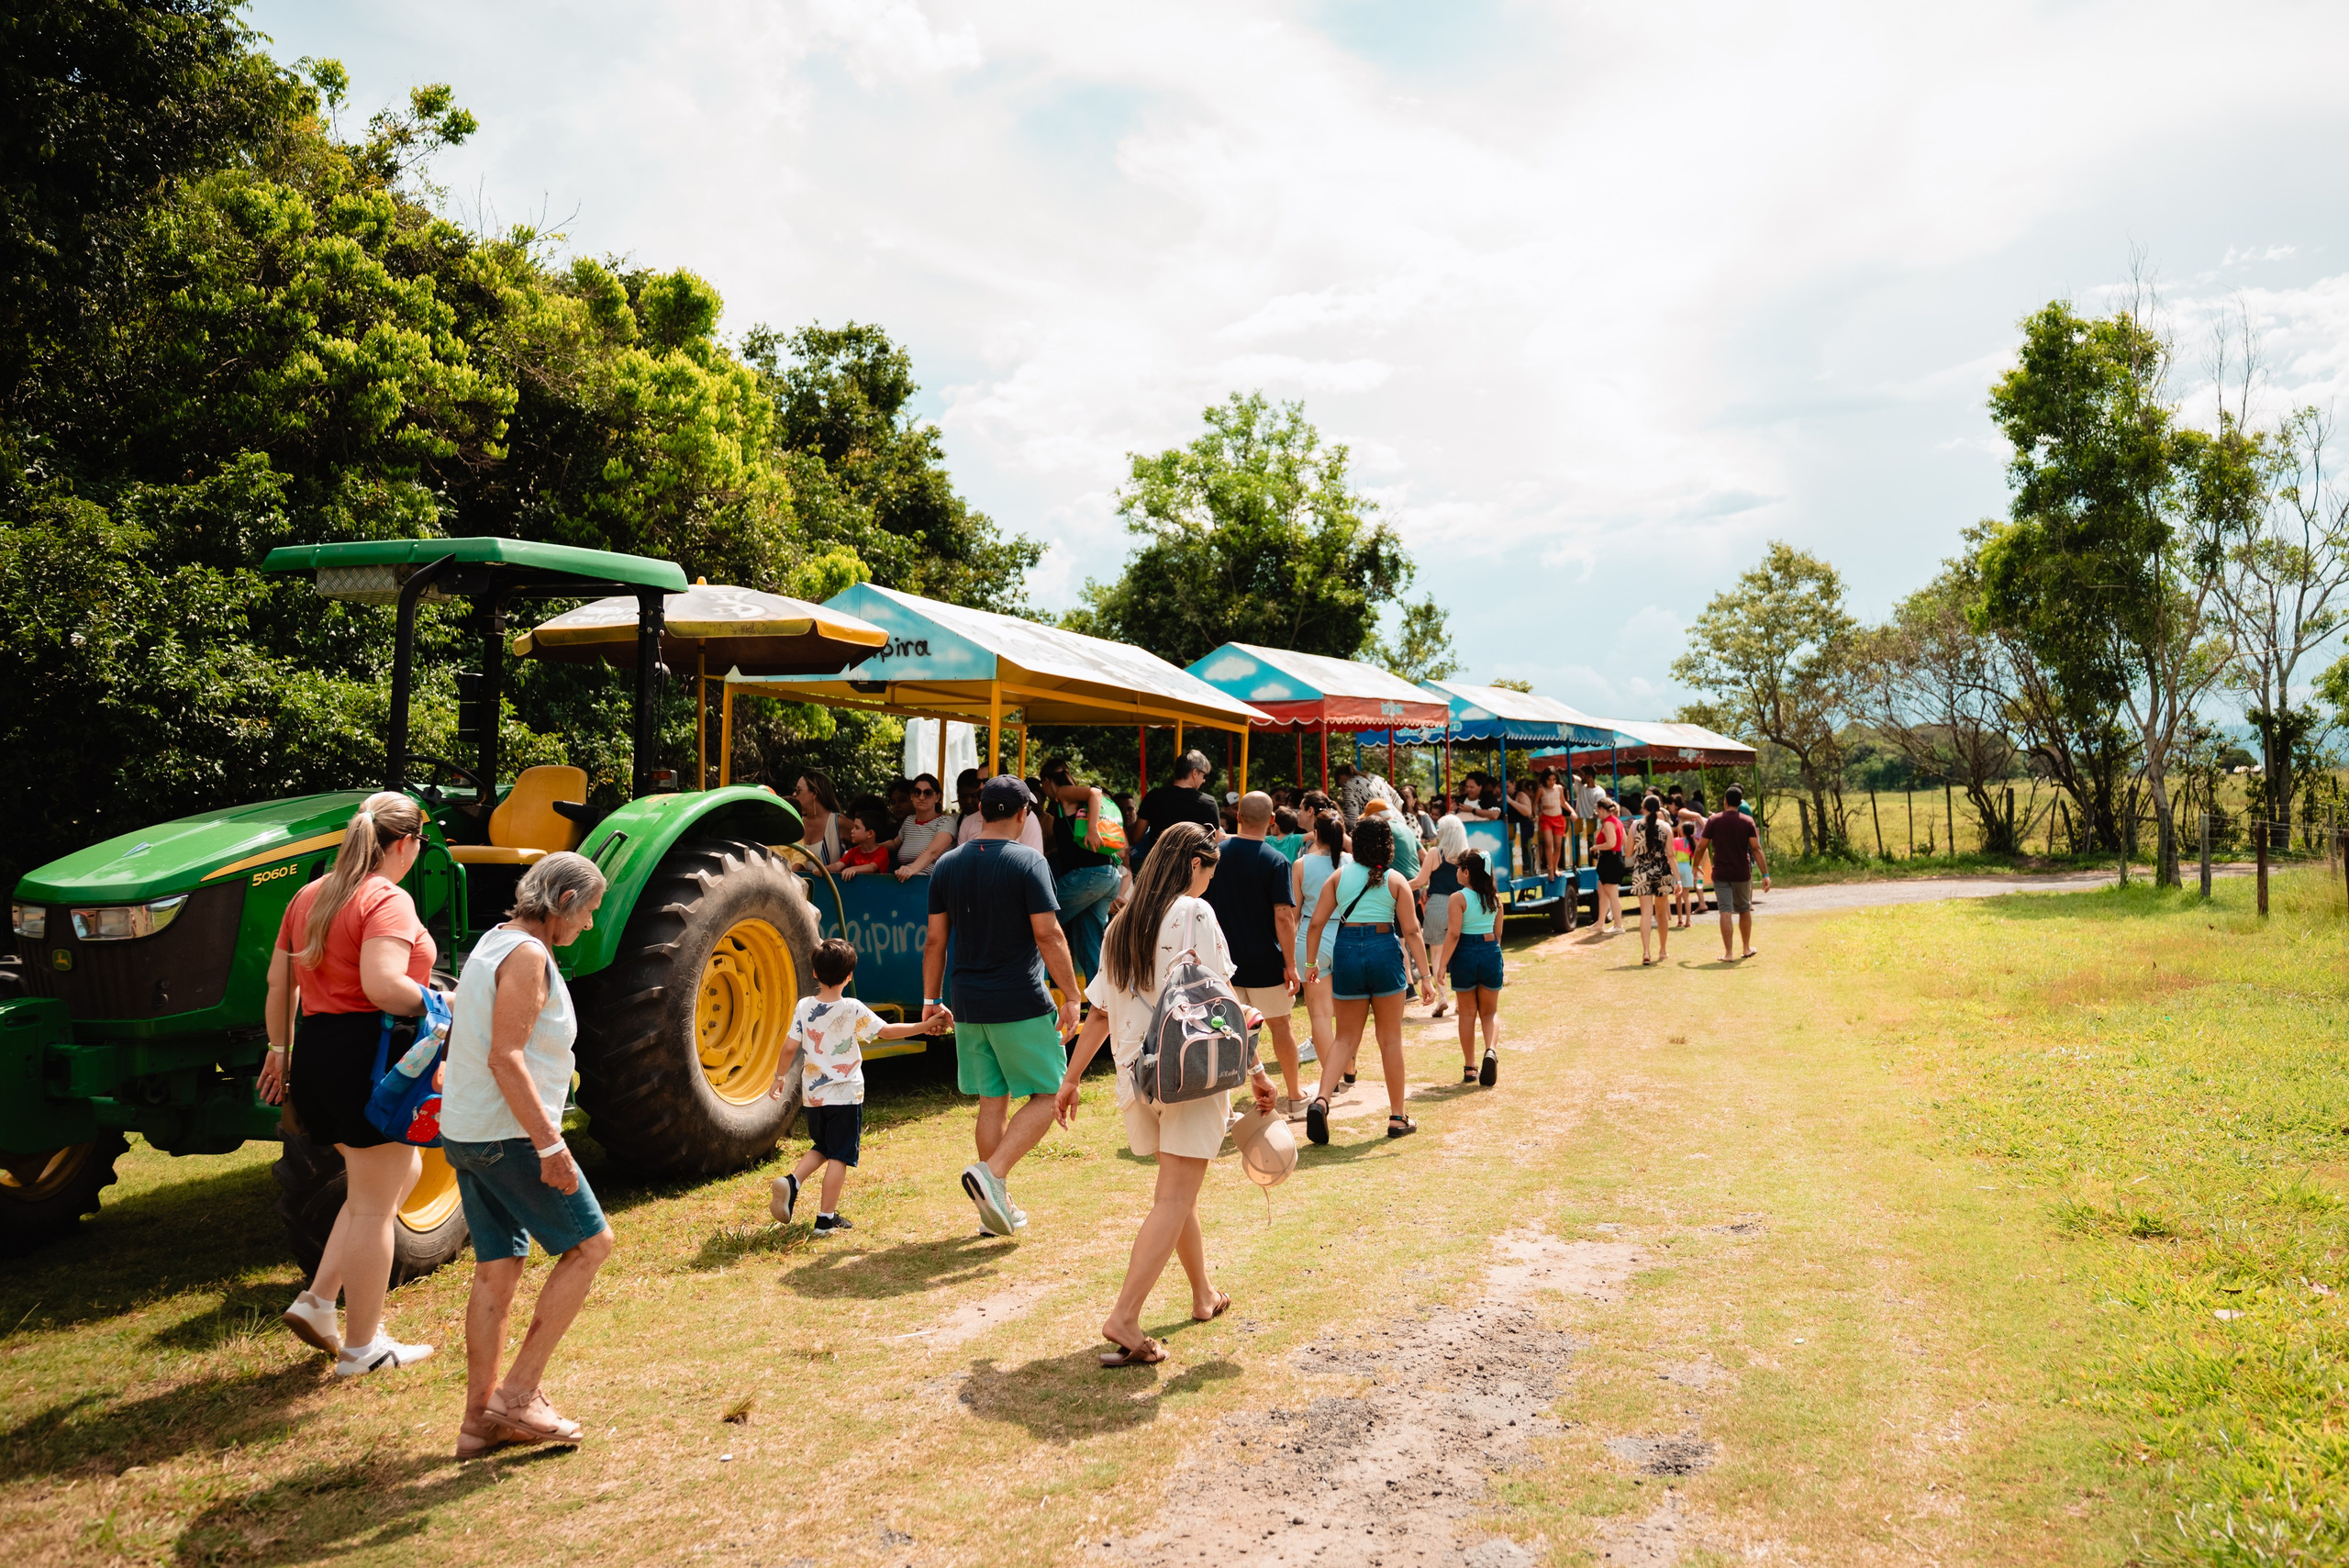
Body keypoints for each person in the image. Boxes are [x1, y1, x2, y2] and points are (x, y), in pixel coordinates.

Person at [1056, 824, 1278, 1366]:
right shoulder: (1193, 914)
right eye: (1210, 869)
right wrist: (1258, 1069)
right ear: (1194, 865)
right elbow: (1221, 1001)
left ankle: (1202, 1295)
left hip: (1141, 1078)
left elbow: (1101, 1013)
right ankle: (1125, 1318)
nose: (1210, 880)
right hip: (1192, 1074)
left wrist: (1070, 1077)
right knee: (1175, 1196)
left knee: (1177, 1191)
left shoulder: (1121, 923)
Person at [441, 851, 613, 1458]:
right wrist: (551, 1144)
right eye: (589, 910)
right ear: (565, 901)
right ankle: (517, 1395)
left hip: (467, 1131)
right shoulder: (529, 956)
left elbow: (470, 1028)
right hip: (505, 1134)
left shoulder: (492, 940)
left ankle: (477, 1423)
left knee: (499, 1266)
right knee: (592, 1245)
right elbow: (506, 1056)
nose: (588, 924)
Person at [264, 791, 439, 1376]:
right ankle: (364, 1347)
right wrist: (445, 1001)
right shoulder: (386, 899)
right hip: (369, 1056)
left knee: (393, 1178)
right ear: (406, 842)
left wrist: (279, 1050)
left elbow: (277, 983)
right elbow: (385, 986)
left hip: (318, 1052)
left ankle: (318, 1302)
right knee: (371, 1205)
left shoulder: (309, 895)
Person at [925, 776, 1085, 1236]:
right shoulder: (1028, 860)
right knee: (1052, 1090)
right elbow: (1049, 934)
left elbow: (935, 940)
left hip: (968, 1000)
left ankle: (994, 1210)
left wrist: (929, 1001)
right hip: (1019, 997)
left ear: (981, 811)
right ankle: (991, 1176)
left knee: (992, 1101)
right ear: (1022, 814)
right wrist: (1073, 995)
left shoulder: (947, 865)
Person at [768, 939, 952, 1237]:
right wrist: (923, 1026)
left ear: (815, 972)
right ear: (850, 976)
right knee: (839, 1156)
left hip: (813, 1096)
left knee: (824, 1147)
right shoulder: (852, 1008)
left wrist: (779, 1078)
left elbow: (789, 1047)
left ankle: (792, 1181)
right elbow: (887, 1032)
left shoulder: (804, 1007)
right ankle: (825, 1219)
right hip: (844, 1095)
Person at [1302, 815, 1426, 1146]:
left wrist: (1311, 964)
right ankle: (1398, 1117)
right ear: (1387, 846)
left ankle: (1321, 1100)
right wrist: (1425, 977)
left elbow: (1316, 924)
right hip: (1384, 949)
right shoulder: (1396, 879)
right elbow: (1412, 931)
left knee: (1344, 1037)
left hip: (1346, 950)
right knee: (1390, 1040)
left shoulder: (1339, 876)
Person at [1205, 792, 1304, 1117]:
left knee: (1222, 1031)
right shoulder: (1275, 860)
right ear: (1272, 820)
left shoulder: (1214, 854)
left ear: (1237, 817)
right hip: (1264, 960)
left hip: (1220, 961)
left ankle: (1225, 1108)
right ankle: (1294, 1095)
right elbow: (1283, 917)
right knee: (1280, 1026)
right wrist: (1290, 964)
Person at [1039, 758, 1126, 986]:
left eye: (1042, 785)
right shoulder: (1064, 803)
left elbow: (1095, 793)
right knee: (1089, 944)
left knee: (1039, 921)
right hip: (1107, 875)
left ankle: (1037, 988)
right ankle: (1101, 1004)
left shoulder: (1064, 792)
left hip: (1089, 875)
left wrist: (1093, 829)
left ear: (1047, 780)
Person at [1431, 848, 1504, 1088]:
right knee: (1490, 1012)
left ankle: (1471, 1066)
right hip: (1490, 949)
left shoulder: (1458, 898)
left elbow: (1453, 934)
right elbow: (1498, 934)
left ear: (1465, 872)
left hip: (1465, 953)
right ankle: (1490, 1050)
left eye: (1458, 869)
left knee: (1467, 1013)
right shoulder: (1495, 898)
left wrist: (1441, 966)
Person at [1289, 809, 1348, 1096]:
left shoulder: (1301, 865)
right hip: (1348, 936)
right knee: (1350, 1012)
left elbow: (1294, 913)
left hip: (1313, 939)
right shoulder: (1352, 862)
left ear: (1316, 833)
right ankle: (1349, 1067)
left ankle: (1332, 1079)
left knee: (1321, 1017)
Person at [1703, 784, 1770, 961]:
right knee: (1744, 909)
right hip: (1741, 872)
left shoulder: (1714, 820)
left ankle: (1728, 953)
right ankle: (1746, 948)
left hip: (1721, 873)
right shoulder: (1747, 821)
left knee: (1725, 911)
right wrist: (1765, 874)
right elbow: (1756, 848)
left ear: (1724, 801)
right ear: (1740, 802)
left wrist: (1695, 866)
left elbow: (1702, 846)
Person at [1411, 814, 1468, 1020]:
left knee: (1437, 955)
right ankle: (1461, 1001)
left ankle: (1442, 998)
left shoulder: (1435, 853)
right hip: (1461, 906)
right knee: (1460, 954)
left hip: (1437, 906)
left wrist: (1396, 886)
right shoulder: (1466, 855)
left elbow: (1419, 881)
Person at [1135, 749, 1219, 864]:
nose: (1204, 780)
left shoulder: (1154, 797)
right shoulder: (1208, 803)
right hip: (1191, 869)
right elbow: (1215, 843)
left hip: (1158, 867)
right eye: (1203, 775)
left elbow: (1136, 836)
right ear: (1194, 773)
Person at [1629, 793, 1676, 965]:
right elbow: (1670, 855)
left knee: (1646, 914)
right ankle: (1662, 950)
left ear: (1644, 808)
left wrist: (1638, 846)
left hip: (1641, 871)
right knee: (1661, 913)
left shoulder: (1634, 826)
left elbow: (1627, 853)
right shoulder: (1665, 827)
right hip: (1662, 871)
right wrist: (1677, 879)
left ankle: (1646, 952)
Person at [956, 767, 1045, 853]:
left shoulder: (1029, 819)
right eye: (978, 782)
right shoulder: (968, 823)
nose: (980, 787)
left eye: (984, 781)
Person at [891, 773, 958, 880]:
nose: (921, 797)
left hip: (935, 884)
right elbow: (894, 844)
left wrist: (911, 869)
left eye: (928, 793)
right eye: (917, 792)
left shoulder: (946, 821)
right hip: (906, 881)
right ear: (912, 796)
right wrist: (871, 844)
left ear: (937, 797)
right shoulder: (909, 821)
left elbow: (933, 852)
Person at [1591, 796, 1627, 935]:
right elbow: (1623, 840)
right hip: (1614, 858)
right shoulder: (1617, 821)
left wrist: (1596, 847)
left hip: (1610, 860)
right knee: (1602, 890)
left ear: (1602, 809)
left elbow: (1611, 843)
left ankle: (1618, 925)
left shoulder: (1608, 823)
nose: (1597, 813)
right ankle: (1600, 923)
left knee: (1612, 894)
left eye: (1597, 810)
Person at [1332, 761, 1404, 828]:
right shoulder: (1375, 777)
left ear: (1342, 777)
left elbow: (1352, 818)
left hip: (1381, 828)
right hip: (1400, 823)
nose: (1341, 787)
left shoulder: (1348, 786)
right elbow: (1398, 801)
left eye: (1339, 785)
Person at [793, 770, 843, 865]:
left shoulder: (838, 822)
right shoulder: (795, 823)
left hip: (830, 880)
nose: (794, 794)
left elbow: (870, 843)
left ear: (815, 793)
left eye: (798, 790)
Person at [830, 805, 894, 879]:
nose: (852, 831)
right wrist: (822, 869)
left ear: (870, 834)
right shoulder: (853, 852)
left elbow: (872, 867)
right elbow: (837, 866)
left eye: (857, 828)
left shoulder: (882, 851)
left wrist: (853, 869)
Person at [1536, 769, 1573, 879]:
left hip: (1558, 818)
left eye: (1554, 779)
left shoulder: (1559, 788)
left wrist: (1572, 811)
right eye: (1549, 780)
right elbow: (1535, 804)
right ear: (1545, 779)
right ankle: (1550, 868)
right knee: (1548, 843)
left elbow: (1563, 802)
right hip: (1546, 819)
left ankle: (1555, 867)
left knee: (1558, 845)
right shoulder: (1541, 789)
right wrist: (1536, 814)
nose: (1551, 782)